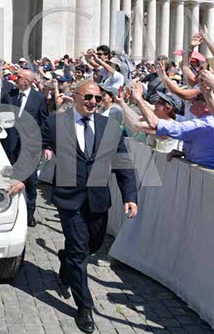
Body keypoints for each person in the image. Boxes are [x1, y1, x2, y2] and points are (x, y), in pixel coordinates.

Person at [27, 79, 137, 333]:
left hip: (98, 199)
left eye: (97, 98)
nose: (93, 102)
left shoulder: (110, 126)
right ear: (75, 96)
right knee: (79, 251)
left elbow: (123, 163)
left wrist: (130, 195)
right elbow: (34, 145)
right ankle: (84, 307)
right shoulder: (56, 122)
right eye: (88, 97)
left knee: (92, 246)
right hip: (69, 198)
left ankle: (66, 259)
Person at [132, 88, 214, 172]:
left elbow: (154, 124)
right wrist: (185, 154)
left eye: (197, 98)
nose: (192, 100)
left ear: (208, 106)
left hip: (209, 181)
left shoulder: (203, 124)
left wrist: (139, 99)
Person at [3, 69, 48, 227]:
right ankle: (8, 210)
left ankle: (29, 213)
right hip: (10, 145)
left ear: (27, 81)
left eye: (19, 77)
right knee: (9, 178)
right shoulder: (9, 95)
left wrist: (45, 146)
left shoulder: (39, 98)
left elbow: (44, 123)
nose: (16, 79)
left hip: (30, 148)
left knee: (29, 181)